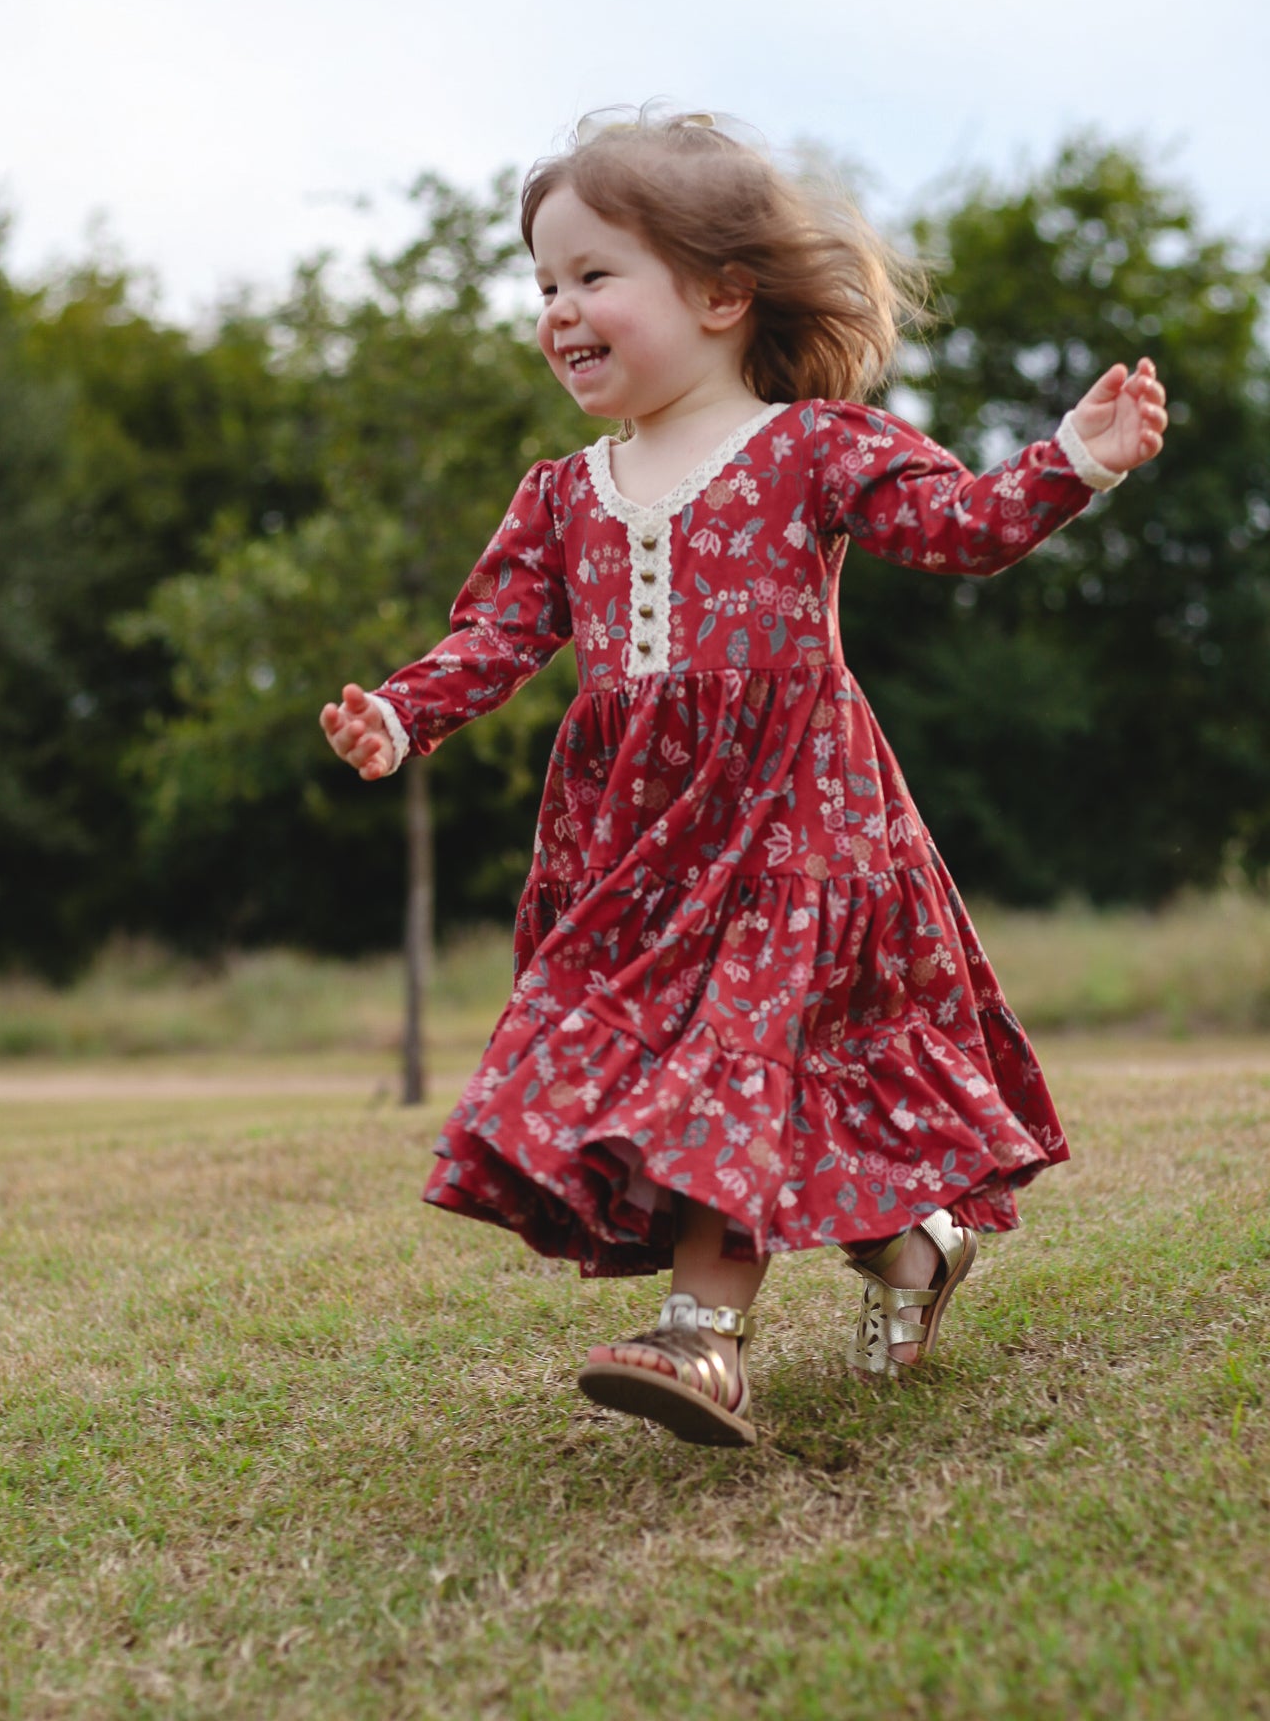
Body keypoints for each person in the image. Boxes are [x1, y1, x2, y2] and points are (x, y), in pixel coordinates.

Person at [320, 111, 1168, 1448]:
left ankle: (702, 1337)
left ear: (722, 293)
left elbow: (953, 531)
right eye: (544, 283)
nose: (559, 309)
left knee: (740, 1061)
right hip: (638, 844)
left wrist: (1070, 462)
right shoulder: (563, 494)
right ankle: (915, 1248)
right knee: (705, 1081)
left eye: (596, 275)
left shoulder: (813, 447)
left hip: (795, 817)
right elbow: (498, 634)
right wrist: (403, 714)